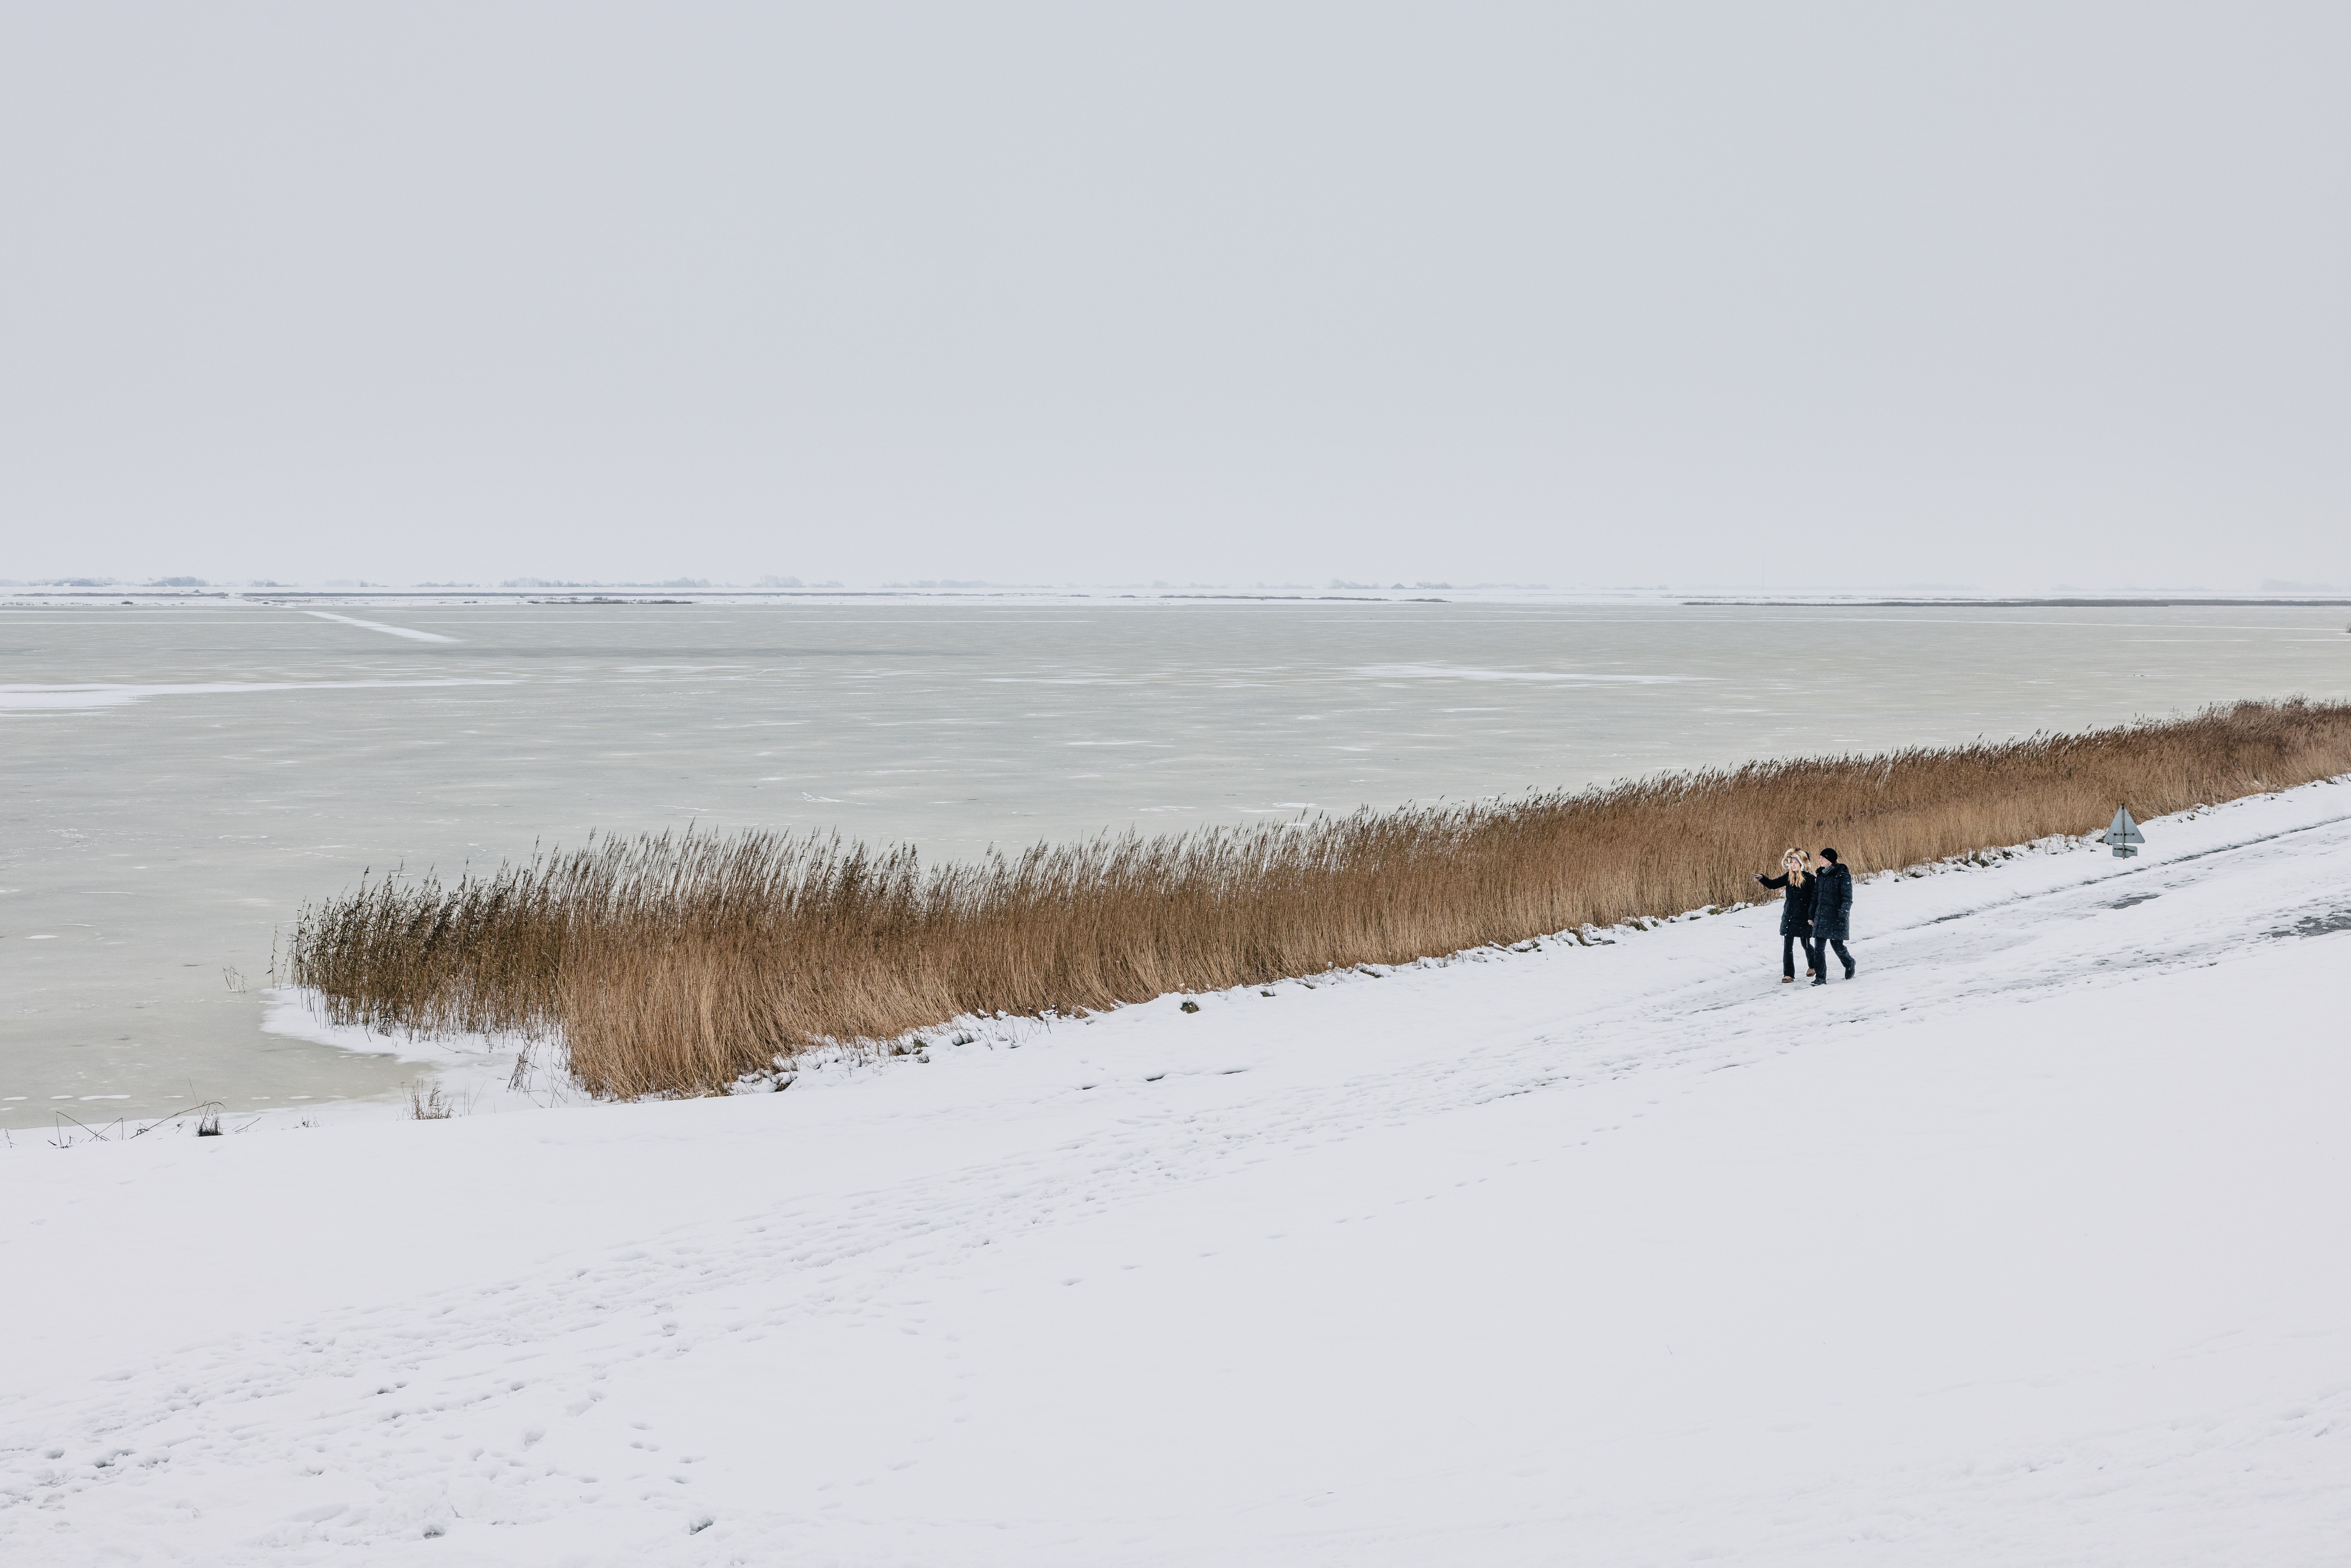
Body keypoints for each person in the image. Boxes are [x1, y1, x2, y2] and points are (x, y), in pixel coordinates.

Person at [1754, 848, 1817, 983]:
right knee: (1788, 947)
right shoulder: (1788, 877)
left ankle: (1813, 965)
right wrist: (1763, 879)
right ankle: (1789, 975)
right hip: (1789, 917)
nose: (1793, 865)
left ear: (1802, 864)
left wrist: (1812, 916)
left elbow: (1814, 900)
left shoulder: (1811, 880)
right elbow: (1773, 885)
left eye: (1796, 862)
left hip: (1804, 918)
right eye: (1792, 862)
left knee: (1806, 944)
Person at [1809, 847, 1855, 984]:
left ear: (1830, 860)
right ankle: (1821, 978)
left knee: (1838, 947)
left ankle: (1849, 963)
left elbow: (1848, 898)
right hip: (1822, 916)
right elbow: (1815, 897)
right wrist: (1811, 915)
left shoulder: (1843, 875)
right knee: (1819, 949)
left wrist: (1843, 915)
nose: (1820, 860)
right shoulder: (1821, 875)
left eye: (1822, 858)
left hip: (1836, 917)